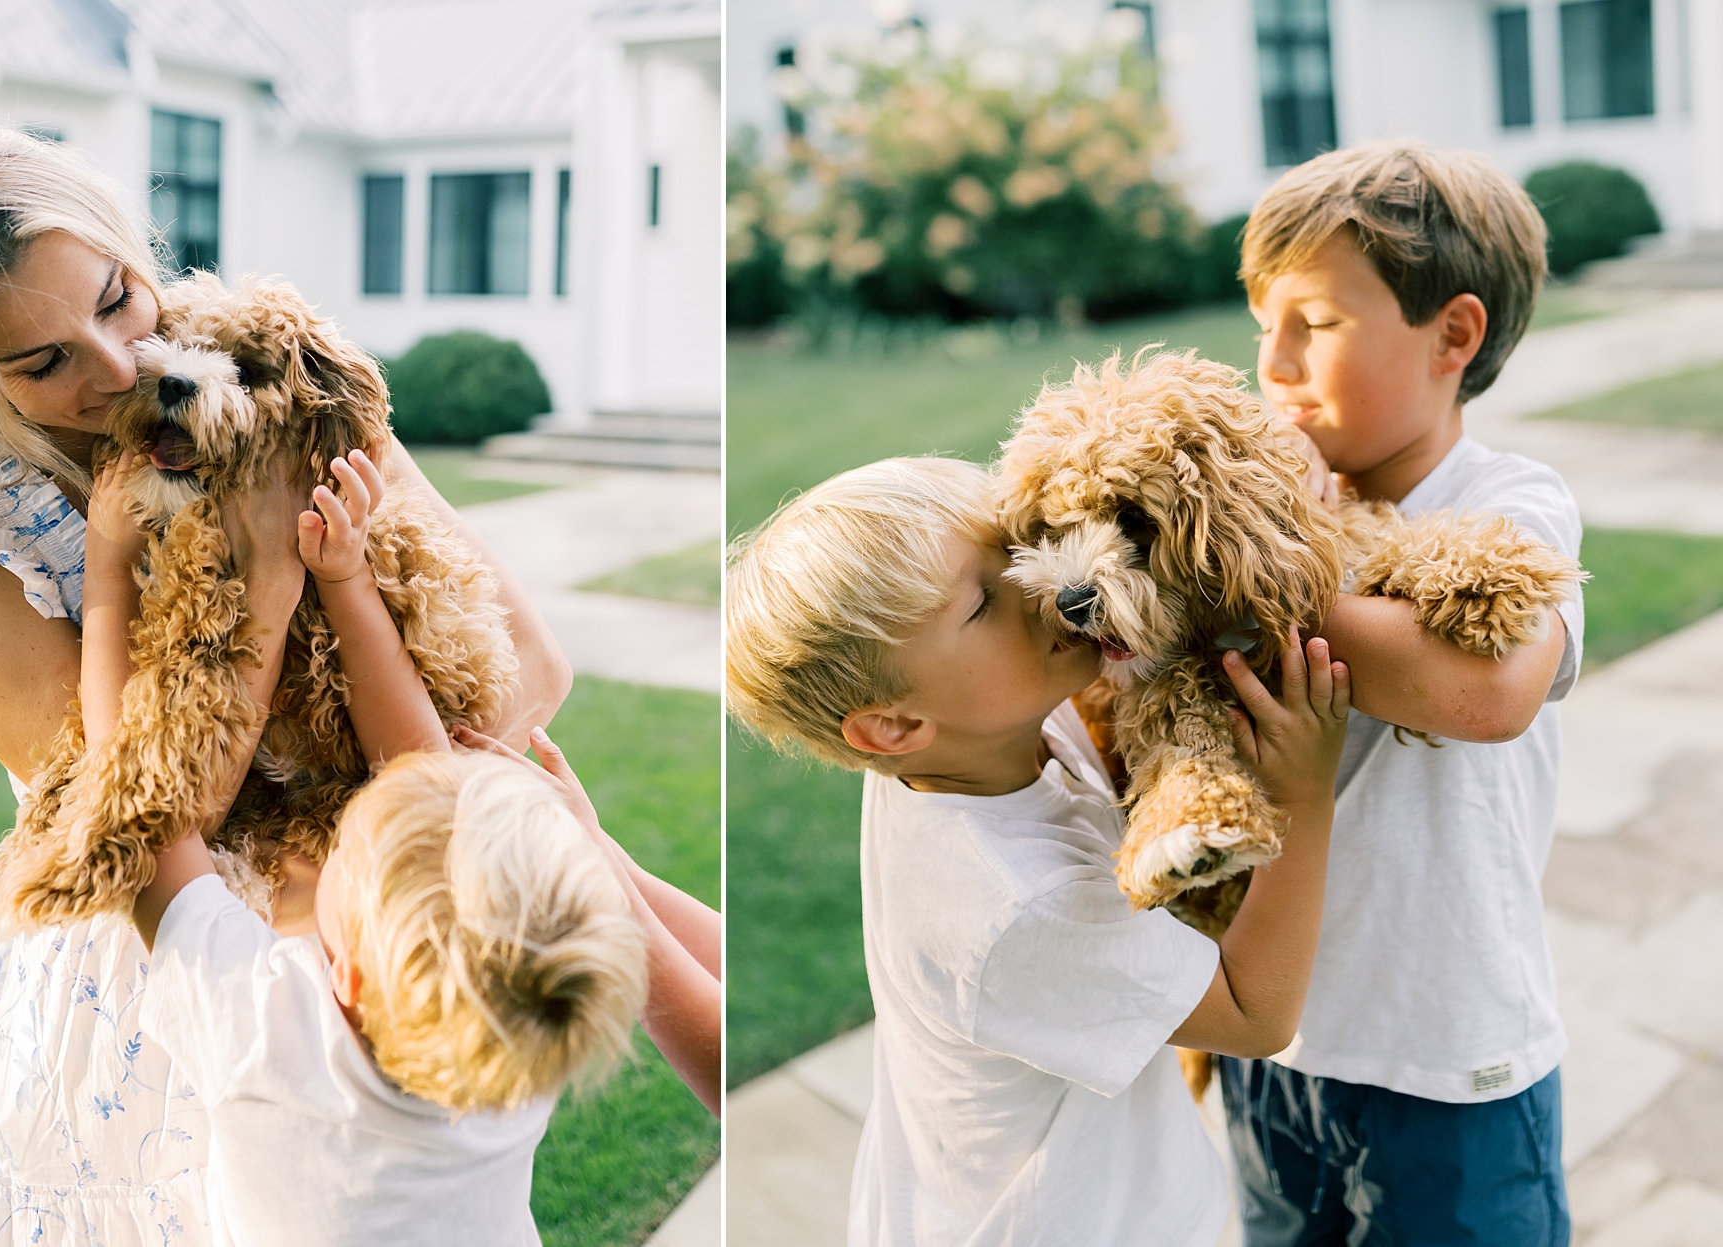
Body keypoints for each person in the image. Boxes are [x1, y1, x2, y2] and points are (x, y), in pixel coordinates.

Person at [0, 119, 570, 1246]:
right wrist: (274, 576)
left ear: (137, 253)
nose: (116, 367)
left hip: (368, 947)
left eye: (116, 300)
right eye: (43, 361)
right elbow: (148, 823)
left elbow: (527, 672)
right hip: (157, 991)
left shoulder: (272, 383)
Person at [725, 456, 1350, 1246]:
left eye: (1019, 545)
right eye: (985, 602)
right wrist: (1303, 794)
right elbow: (1256, 1013)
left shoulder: (976, 736)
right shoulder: (1013, 903)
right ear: (895, 725)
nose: (1046, 584)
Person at [1229, 140, 1584, 1242]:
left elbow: (1485, 689)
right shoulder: (1268, 513)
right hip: (1273, 1043)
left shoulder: (1510, 504)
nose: (1274, 361)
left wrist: (1243, 566)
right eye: (1262, 323)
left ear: (1452, 336)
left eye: (1315, 322)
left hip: (1450, 1064)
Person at [132, 742, 650, 1247]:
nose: (336, 843)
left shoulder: (264, 1030)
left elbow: (143, 809)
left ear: (350, 978)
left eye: (345, 847)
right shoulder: (524, 1041)